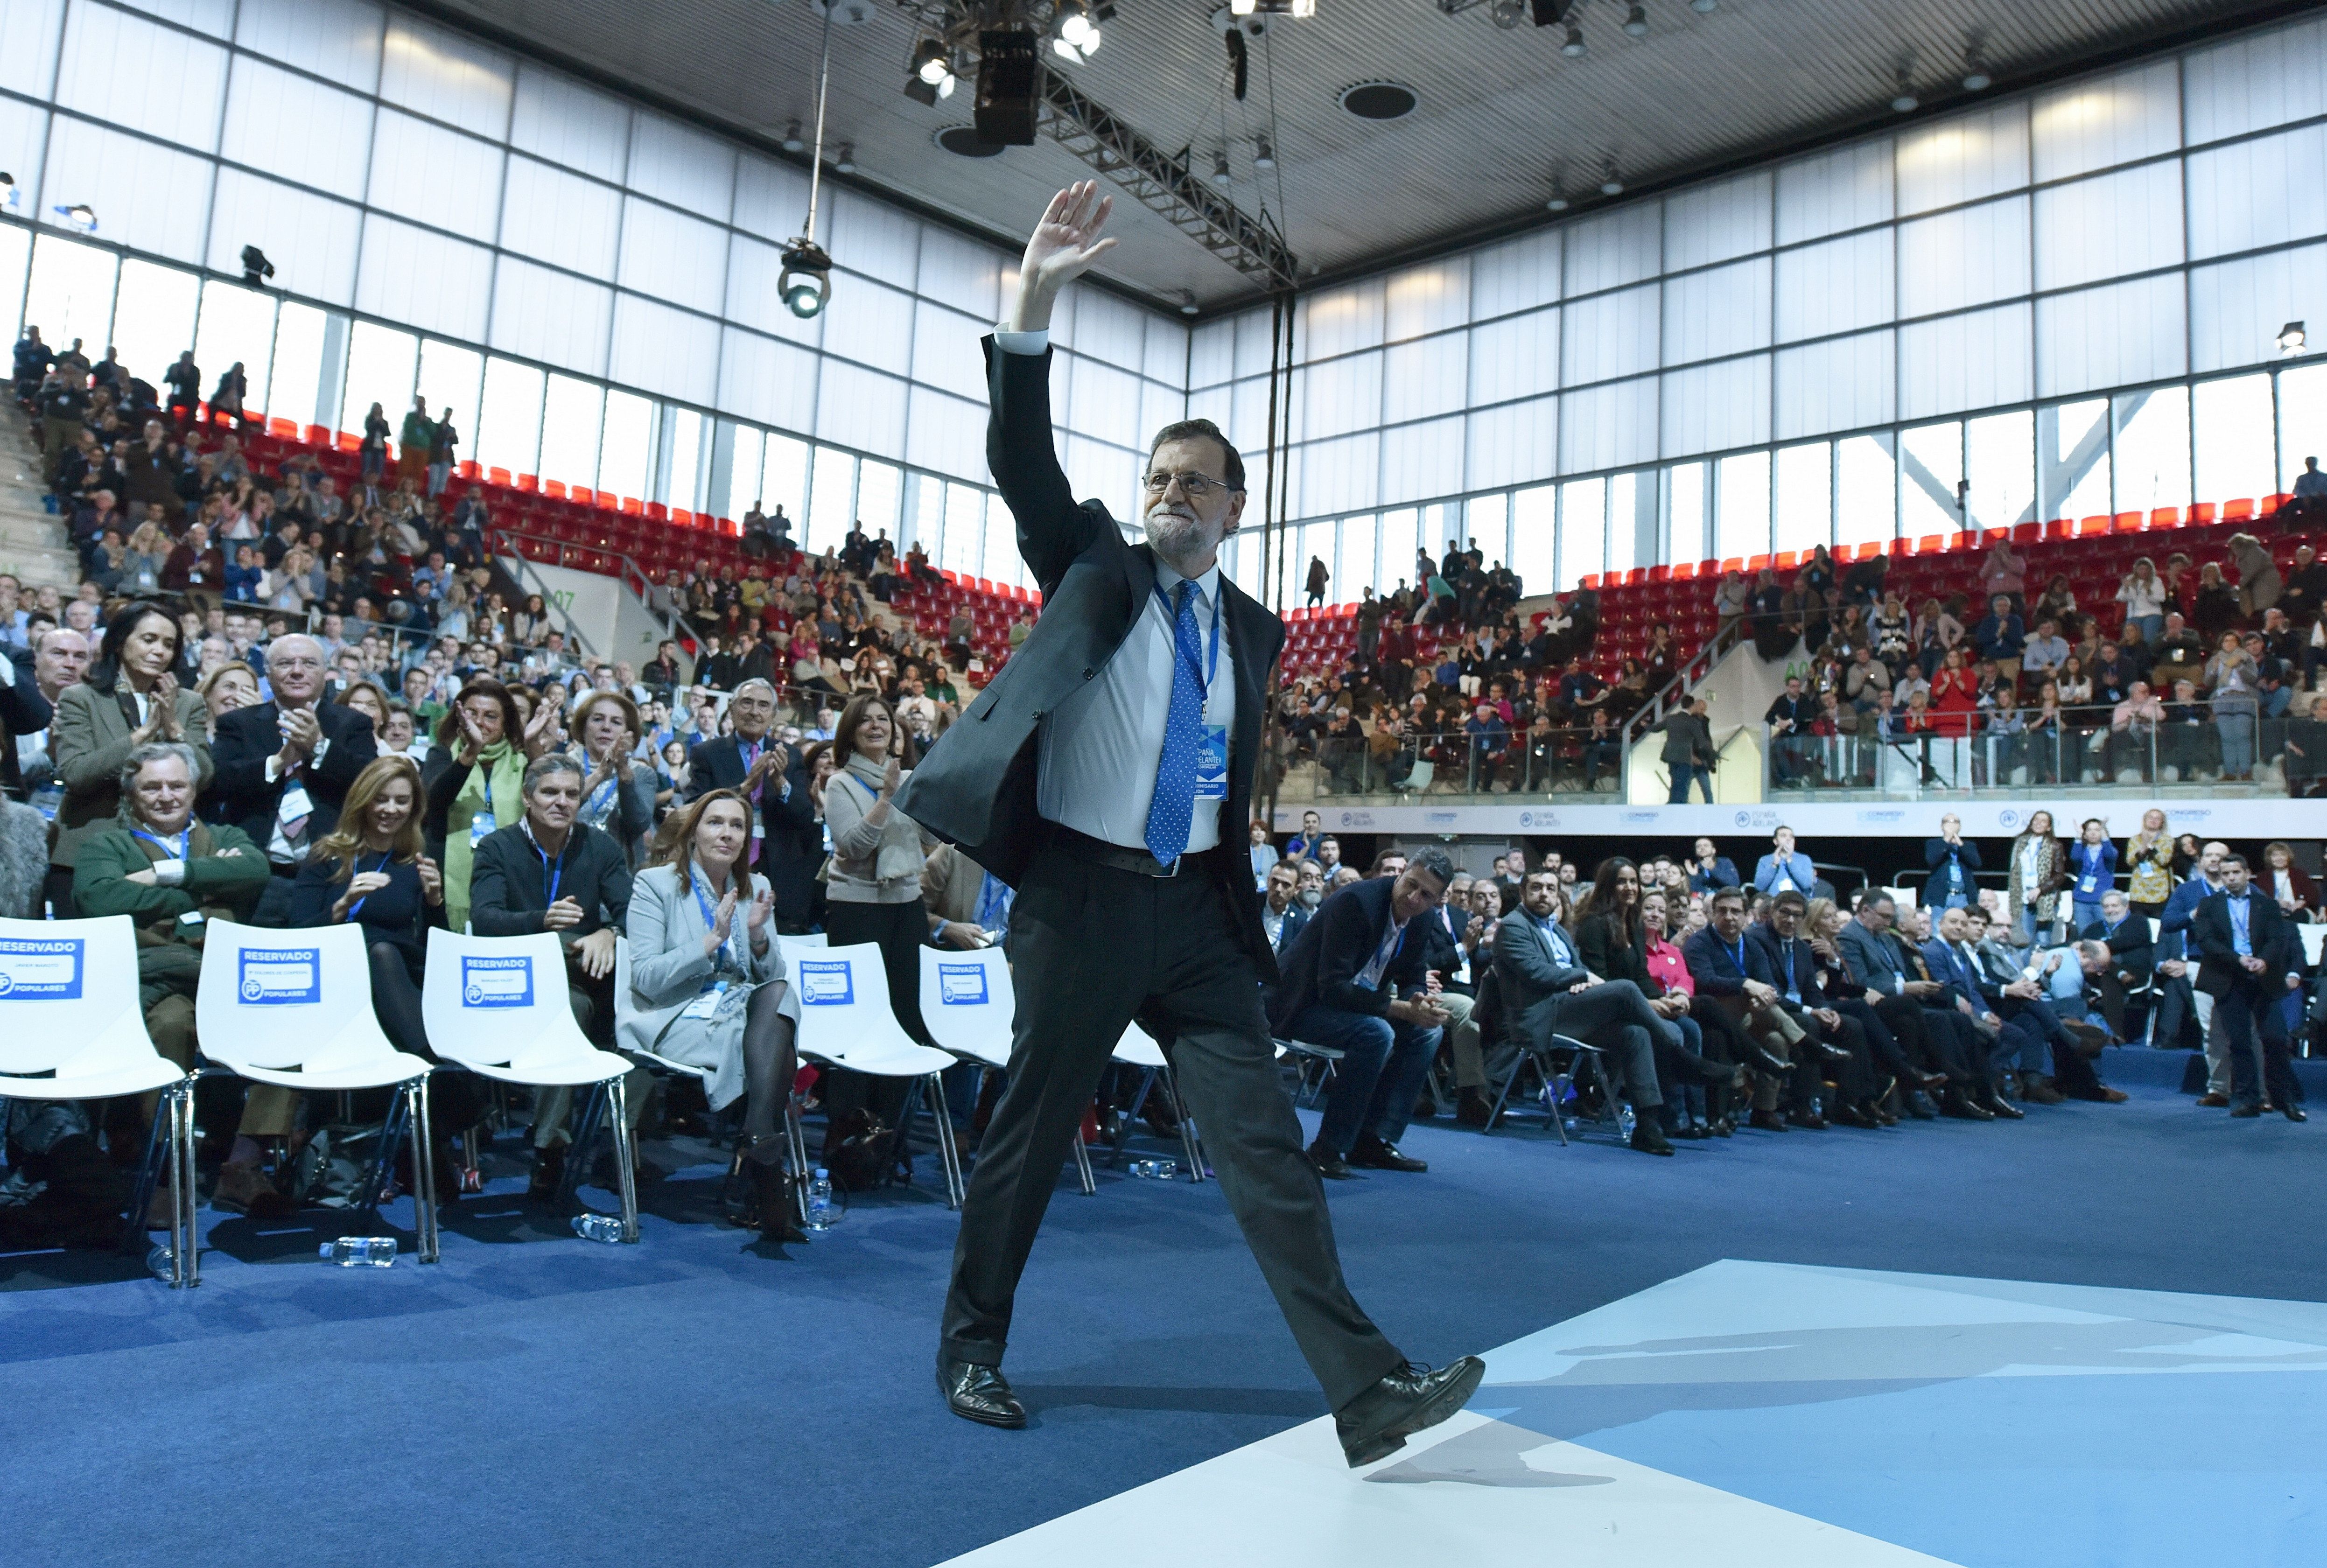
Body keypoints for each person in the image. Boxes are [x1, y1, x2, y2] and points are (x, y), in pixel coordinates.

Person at [897, 184, 1480, 1463]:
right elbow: (1019, 462)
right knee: (1029, 1142)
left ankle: (1367, 1392)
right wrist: (1035, 301)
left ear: (1236, 506)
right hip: (1079, 904)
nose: (1170, 491)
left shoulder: (1254, 632)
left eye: (1195, 482)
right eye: (1158, 475)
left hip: (1197, 917)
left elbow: (1216, 773)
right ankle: (971, 1349)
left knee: (1266, 1149)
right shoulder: (1097, 563)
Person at [72, 742, 275, 1211]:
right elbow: (100, 900)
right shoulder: (108, 844)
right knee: (169, 1024)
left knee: (282, 1018)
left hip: (223, 984)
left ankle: (241, 1165)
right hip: (174, 981)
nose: (166, 796)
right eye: (152, 787)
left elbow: (255, 869)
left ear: (195, 788)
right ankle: (162, 1165)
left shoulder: (227, 834)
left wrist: (167, 874)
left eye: (176, 785)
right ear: (133, 794)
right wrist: (205, 893)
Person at [621, 789, 803, 1239]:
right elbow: (645, 977)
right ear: (693, 832)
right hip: (674, 1013)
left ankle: (758, 1139)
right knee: (771, 1041)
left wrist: (758, 937)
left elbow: (769, 975)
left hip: (740, 1011)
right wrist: (709, 943)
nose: (727, 833)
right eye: (715, 822)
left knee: (780, 994)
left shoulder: (756, 888)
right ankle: (763, 1172)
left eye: (737, 825)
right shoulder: (655, 885)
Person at [467, 754, 636, 1190]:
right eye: (550, 792)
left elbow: (634, 913)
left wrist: (612, 932)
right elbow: (485, 920)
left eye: (572, 794)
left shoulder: (600, 846)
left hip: (588, 979)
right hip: (514, 980)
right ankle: (561, 1147)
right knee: (568, 996)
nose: (562, 802)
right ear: (527, 797)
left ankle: (568, 1146)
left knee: (597, 1005)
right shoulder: (496, 847)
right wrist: (540, 922)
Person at [1270, 851, 1456, 1177]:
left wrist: (1417, 1001)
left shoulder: (1423, 918)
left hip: (1355, 1007)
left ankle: (1372, 1140)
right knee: (1376, 1033)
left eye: (1426, 895)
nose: (1414, 898)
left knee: (1428, 1032)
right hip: (1300, 1006)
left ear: (1438, 900)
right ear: (1401, 875)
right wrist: (1398, 1009)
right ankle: (1327, 1147)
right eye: (1411, 885)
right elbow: (1333, 989)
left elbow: (1414, 971)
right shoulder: (1357, 902)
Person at [819, 692, 939, 1148]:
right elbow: (853, 846)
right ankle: (849, 1133)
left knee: (908, 1014)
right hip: (857, 909)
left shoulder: (909, 779)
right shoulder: (840, 784)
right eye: (865, 721)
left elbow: (929, 840)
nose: (876, 727)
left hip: (906, 906)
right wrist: (888, 796)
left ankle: (890, 1135)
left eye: (883, 720)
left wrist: (928, 801)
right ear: (850, 733)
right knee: (862, 1020)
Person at [1495, 866, 1680, 1155]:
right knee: (1626, 989)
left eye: (1550, 889)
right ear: (1523, 892)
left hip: (1570, 1008)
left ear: (1558, 896)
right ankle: (1679, 1055)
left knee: (1635, 1033)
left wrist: (1580, 980)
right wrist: (1579, 978)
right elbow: (1536, 973)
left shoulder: (1557, 930)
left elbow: (1578, 968)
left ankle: (1648, 1126)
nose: (1544, 894)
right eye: (1536, 888)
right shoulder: (1513, 926)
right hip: (1541, 1016)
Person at [202, 633, 379, 926]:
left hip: (329, 874)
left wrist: (320, 747)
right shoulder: (239, 723)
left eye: (309, 663)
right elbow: (217, 783)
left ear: (325, 673)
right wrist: (277, 763)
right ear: (268, 675)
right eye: (285, 663)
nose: (297, 671)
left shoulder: (353, 723)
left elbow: (371, 783)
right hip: (259, 874)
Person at [50, 602, 212, 919]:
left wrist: (172, 727)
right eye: (149, 639)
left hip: (161, 857)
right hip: (85, 850)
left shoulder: (188, 703)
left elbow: (204, 777)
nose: (160, 651)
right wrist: (144, 734)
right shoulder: (81, 698)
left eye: (169, 644)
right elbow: (76, 774)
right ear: (121, 642)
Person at [423, 678, 552, 931]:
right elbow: (434, 801)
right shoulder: (441, 755)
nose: (480, 722)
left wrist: (533, 743)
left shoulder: (522, 762)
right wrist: (470, 752)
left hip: (507, 876)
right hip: (444, 875)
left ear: (505, 725)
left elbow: (550, 790)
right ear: (458, 717)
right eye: (472, 713)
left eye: (491, 716)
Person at [2193, 855, 2305, 1120]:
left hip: (2263, 977)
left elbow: (2277, 939)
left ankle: (2284, 1100)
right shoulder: (2209, 905)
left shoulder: (2266, 904)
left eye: (2235, 872)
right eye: (2226, 873)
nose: (2231, 878)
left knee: (2276, 1039)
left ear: (2247, 874)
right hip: (2229, 977)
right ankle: (2247, 1100)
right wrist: (2238, 959)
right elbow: (2206, 941)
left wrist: (2264, 960)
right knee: (2239, 1043)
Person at [2005, 809, 2064, 947]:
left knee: (2043, 940)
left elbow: (2059, 876)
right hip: (2023, 896)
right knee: (2024, 939)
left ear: (2049, 827)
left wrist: (2040, 890)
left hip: (2045, 897)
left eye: (2043, 821)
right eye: (2036, 820)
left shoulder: (2055, 846)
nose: (2038, 823)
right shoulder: (2020, 843)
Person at [1649, 697, 1715, 803]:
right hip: (1684, 757)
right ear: (1693, 706)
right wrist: (1712, 754)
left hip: (1670, 756)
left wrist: (1645, 725)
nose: (1703, 712)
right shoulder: (1691, 721)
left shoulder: (1671, 718)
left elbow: (1655, 728)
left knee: (1675, 783)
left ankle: (1673, 805)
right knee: (1683, 785)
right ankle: (1679, 807)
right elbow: (1703, 740)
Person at [2066, 818, 2117, 934]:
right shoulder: (2082, 850)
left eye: (2097, 830)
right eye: (2089, 830)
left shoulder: (2108, 851)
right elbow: (2075, 857)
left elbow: (2110, 854)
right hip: (2082, 901)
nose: (2093, 833)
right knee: (2085, 936)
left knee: (2105, 935)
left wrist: (2104, 833)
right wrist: (2079, 836)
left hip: (2103, 901)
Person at [1925, 814, 1980, 910]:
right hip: (1941, 897)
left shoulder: (1968, 846)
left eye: (1955, 822)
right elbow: (1932, 861)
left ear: (1960, 827)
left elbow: (1977, 864)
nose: (1951, 825)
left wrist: (1961, 845)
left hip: (1963, 897)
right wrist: (1946, 840)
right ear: (1942, 827)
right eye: (1948, 822)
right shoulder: (1934, 844)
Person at [1752, 826, 1815, 897]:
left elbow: (1807, 884)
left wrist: (1790, 861)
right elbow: (1759, 887)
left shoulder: (1804, 859)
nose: (1788, 839)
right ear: (1776, 841)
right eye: (1783, 836)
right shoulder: (1765, 860)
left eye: (1791, 837)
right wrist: (1774, 865)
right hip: (1773, 903)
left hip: (1797, 903)